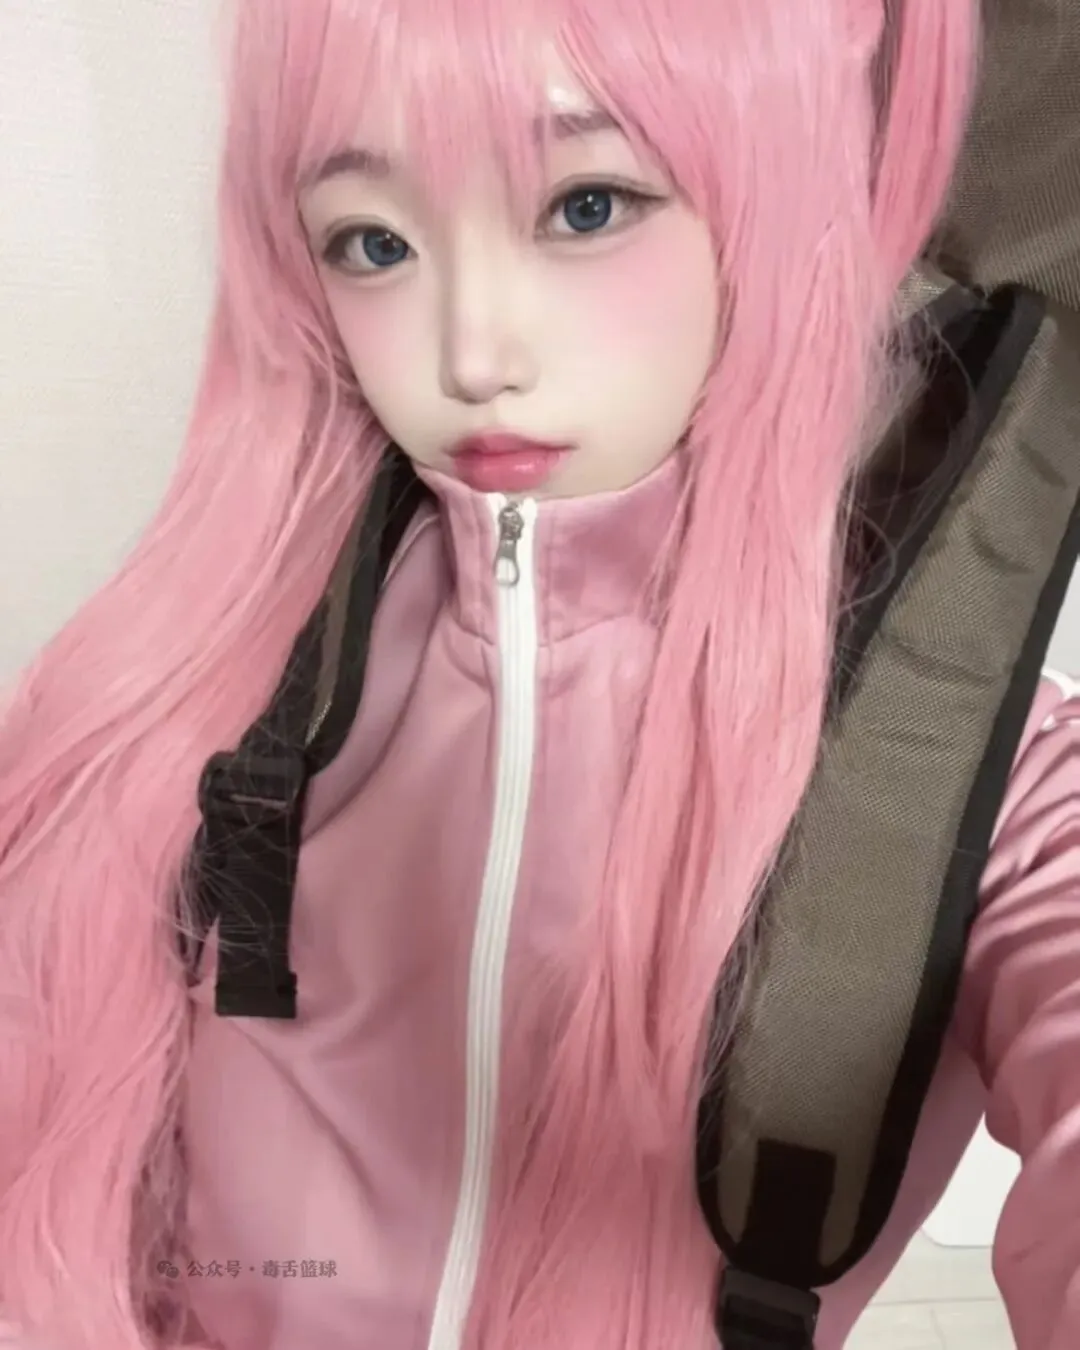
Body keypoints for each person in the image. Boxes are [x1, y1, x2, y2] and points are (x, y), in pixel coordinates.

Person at [1, 1, 1077, 1347]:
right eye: (374, 241)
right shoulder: (187, 684)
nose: (473, 355)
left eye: (586, 207)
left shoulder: (960, 779)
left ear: (776, 202)